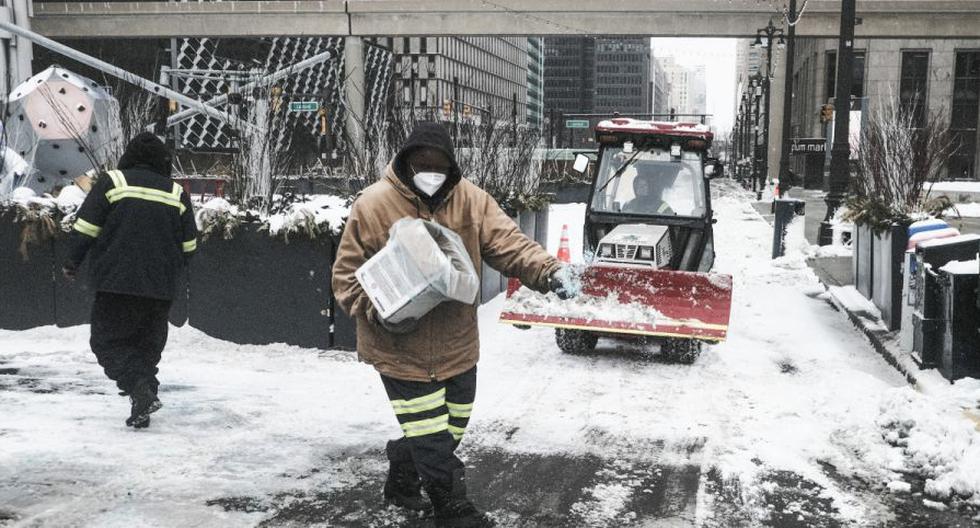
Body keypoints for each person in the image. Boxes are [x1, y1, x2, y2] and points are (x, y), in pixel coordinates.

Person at [332, 122, 569, 527]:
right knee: (431, 433)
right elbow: (345, 277)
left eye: (439, 167)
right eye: (422, 165)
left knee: (450, 428)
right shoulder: (373, 205)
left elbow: (510, 244)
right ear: (406, 163)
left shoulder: (472, 202)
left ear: (452, 167)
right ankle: (452, 507)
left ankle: (403, 473)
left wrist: (549, 271)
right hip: (398, 348)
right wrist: (377, 309)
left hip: (457, 345)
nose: (430, 173)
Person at [63, 132, 198, 429]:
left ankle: (140, 390)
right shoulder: (176, 192)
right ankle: (144, 397)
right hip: (160, 288)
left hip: (116, 284)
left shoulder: (113, 182)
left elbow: (86, 227)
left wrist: (71, 261)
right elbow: (190, 246)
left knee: (107, 343)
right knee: (146, 348)